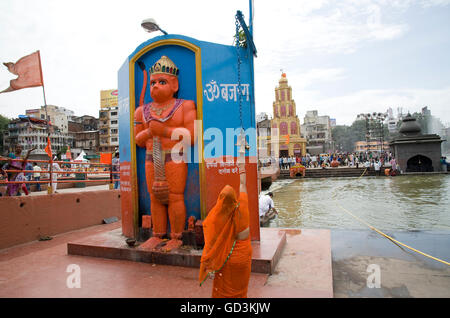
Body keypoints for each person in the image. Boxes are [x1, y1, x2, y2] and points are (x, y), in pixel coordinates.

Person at [134, 55, 197, 252]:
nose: (155, 86)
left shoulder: (185, 106)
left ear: (175, 84)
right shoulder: (141, 111)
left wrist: (165, 132)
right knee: (155, 197)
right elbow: (138, 140)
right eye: (152, 82)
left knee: (175, 196)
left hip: (175, 157)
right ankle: (157, 234)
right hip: (151, 158)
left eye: (162, 82)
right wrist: (150, 132)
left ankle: (176, 236)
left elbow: (192, 136)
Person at [199, 162, 252, 298]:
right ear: (234, 198)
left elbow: (213, 238)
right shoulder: (243, 206)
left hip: (229, 257)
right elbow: (243, 184)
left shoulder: (221, 218)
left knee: (225, 289)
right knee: (241, 287)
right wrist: (241, 169)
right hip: (245, 255)